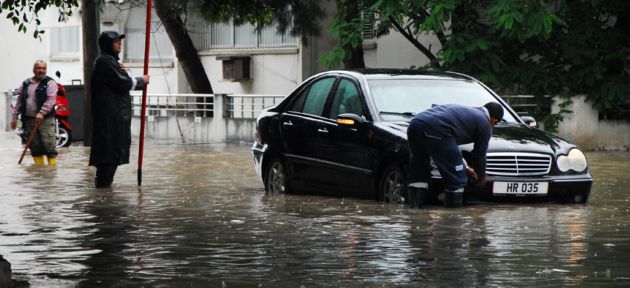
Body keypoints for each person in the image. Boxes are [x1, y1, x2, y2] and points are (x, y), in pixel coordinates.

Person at [406, 102, 504, 208]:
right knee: (456, 178)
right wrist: (481, 177)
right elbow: (479, 155)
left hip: (415, 124)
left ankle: (415, 212)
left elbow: (450, 148)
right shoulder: (485, 123)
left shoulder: (465, 114)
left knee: (420, 169)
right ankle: (453, 219)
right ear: (494, 119)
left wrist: (465, 168)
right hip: (436, 128)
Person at [89, 31, 149, 188]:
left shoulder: (111, 62)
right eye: (115, 41)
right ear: (108, 44)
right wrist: (141, 80)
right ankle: (103, 190)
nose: (119, 43)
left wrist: (126, 72)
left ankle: (104, 191)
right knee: (109, 157)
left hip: (115, 118)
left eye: (119, 41)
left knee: (112, 156)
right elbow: (123, 82)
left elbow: (123, 79)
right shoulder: (105, 61)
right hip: (110, 120)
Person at [11, 60, 59, 165]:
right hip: (29, 119)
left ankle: (51, 172)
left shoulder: (50, 83)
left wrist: (42, 112)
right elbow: (20, 100)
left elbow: (51, 100)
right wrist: (14, 117)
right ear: (34, 70)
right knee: (34, 147)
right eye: (39, 68)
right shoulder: (26, 83)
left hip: (45, 119)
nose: (41, 71)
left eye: (43, 68)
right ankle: (38, 171)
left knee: (49, 145)